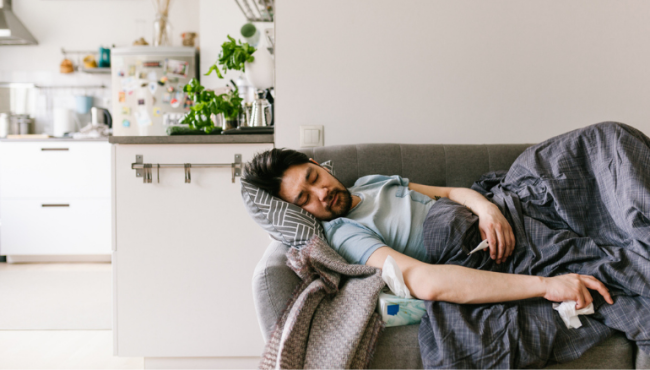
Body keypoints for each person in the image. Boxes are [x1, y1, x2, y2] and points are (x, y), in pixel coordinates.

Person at [242, 147, 614, 310]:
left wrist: (487, 208)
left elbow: (452, 192)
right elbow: (425, 280)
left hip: (504, 208)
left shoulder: (371, 182)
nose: (321, 193)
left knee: (598, 145)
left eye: (313, 178)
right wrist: (546, 285)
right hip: (473, 243)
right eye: (304, 200)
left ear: (316, 163)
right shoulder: (343, 234)